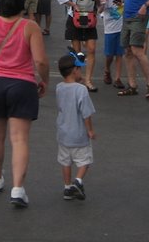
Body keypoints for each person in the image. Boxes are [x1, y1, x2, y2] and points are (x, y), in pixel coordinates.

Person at [0, 0, 49, 209]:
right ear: (21, 2)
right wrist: (44, 80)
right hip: (22, 84)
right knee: (19, 139)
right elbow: (40, 61)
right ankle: (18, 189)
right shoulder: (30, 27)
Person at [55, 53, 96, 201]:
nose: (81, 72)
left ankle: (67, 187)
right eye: (80, 69)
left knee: (65, 161)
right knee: (85, 161)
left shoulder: (59, 87)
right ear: (74, 71)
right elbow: (86, 113)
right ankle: (77, 181)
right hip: (78, 134)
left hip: (63, 133)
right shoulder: (81, 90)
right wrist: (90, 130)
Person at [56, 0, 101, 92]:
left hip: (89, 19)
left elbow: (100, 2)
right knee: (78, 52)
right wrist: (72, 4)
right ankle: (78, 78)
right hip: (75, 18)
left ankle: (88, 80)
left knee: (91, 49)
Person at [97, 0, 127, 89]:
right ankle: (107, 70)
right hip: (110, 27)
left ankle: (118, 78)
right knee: (109, 54)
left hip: (121, 26)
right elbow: (99, 10)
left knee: (119, 54)